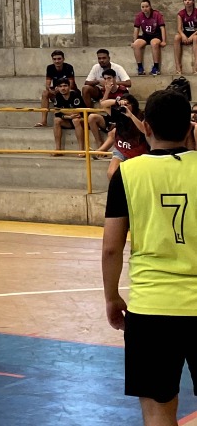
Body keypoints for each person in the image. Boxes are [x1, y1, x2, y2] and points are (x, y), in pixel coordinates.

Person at [102, 88, 197, 426]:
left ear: (146, 127)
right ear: (190, 127)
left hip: (151, 307)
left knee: (158, 410)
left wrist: (112, 297)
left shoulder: (127, 175)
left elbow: (111, 247)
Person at [93, 93, 148, 179]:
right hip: (121, 148)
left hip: (137, 151)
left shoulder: (141, 115)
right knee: (111, 173)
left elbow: (144, 130)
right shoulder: (118, 113)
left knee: (133, 177)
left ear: (133, 105)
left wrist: (131, 115)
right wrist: (117, 102)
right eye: (123, 105)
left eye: (127, 104)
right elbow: (103, 104)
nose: (124, 107)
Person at [36, 50, 76, 127]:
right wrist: (51, 90)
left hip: (68, 92)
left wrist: (62, 89)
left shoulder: (68, 67)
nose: (57, 61)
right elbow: (47, 84)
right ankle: (43, 121)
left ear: (63, 59)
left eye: (59, 59)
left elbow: (71, 84)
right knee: (45, 93)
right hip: (56, 92)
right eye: (54, 59)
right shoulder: (50, 68)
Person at [51, 78, 86, 155]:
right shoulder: (58, 96)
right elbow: (57, 113)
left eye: (65, 86)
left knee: (76, 120)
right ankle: (58, 149)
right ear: (57, 88)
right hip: (69, 119)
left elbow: (77, 112)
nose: (63, 88)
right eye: (60, 86)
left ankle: (81, 150)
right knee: (56, 120)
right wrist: (69, 116)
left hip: (83, 120)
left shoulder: (75, 94)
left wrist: (63, 111)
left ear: (69, 87)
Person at [132, 0, 166, 76]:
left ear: (150, 7)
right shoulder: (139, 16)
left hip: (156, 35)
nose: (145, 8)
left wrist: (164, 40)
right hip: (146, 35)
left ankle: (156, 67)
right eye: (143, 7)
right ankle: (140, 67)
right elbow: (136, 29)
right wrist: (134, 41)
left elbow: (162, 28)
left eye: (147, 6)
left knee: (154, 43)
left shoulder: (157, 14)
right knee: (136, 45)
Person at [174, 0, 197, 76]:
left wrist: (192, 36)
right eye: (185, 0)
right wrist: (183, 35)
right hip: (185, 33)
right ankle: (178, 67)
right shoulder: (181, 14)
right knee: (177, 37)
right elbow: (179, 28)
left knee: (195, 38)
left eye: (189, 0)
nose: (187, 1)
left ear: (193, 1)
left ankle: (195, 67)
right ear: (183, 2)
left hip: (195, 33)